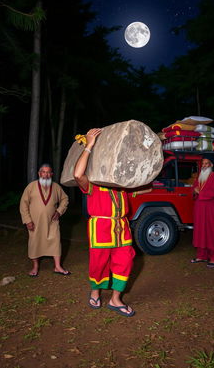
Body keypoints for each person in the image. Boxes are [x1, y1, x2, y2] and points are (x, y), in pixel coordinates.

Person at [74, 128, 135, 317]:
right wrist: (89, 145)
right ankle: (95, 292)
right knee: (99, 263)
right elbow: (77, 174)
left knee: (125, 262)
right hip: (101, 228)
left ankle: (115, 299)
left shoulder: (122, 187)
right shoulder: (93, 185)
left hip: (122, 228)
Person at [20, 164, 70, 277]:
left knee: (56, 241)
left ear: (51, 174)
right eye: (43, 172)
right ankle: (35, 267)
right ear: (39, 173)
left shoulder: (56, 187)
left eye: (48, 172)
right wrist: (27, 220)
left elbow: (65, 199)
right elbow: (23, 204)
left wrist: (59, 211)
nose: (46, 175)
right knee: (34, 242)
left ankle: (57, 266)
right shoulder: (31, 186)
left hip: (52, 222)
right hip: (35, 222)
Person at [191, 155, 214, 268]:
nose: (203, 166)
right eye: (202, 164)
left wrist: (200, 193)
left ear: (211, 165)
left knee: (210, 231)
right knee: (200, 231)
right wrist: (194, 191)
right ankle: (202, 255)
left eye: (206, 163)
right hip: (199, 208)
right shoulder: (200, 176)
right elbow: (194, 188)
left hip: (210, 209)